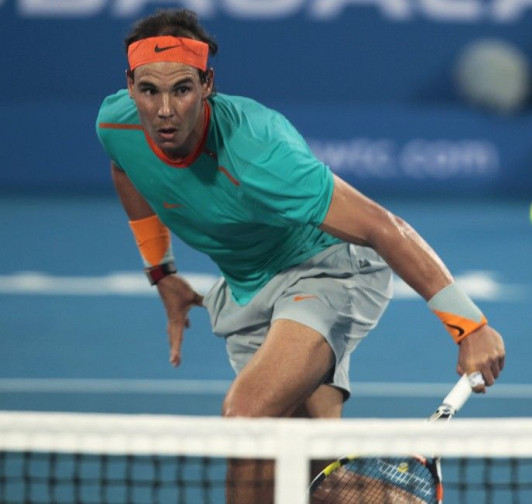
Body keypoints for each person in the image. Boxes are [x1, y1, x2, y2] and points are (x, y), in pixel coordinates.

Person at [96, 8, 505, 502]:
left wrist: (469, 326)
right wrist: (161, 272)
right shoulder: (116, 125)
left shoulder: (259, 149)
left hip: (326, 270)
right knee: (310, 477)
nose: (164, 110)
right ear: (129, 85)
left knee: (247, 417)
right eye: (148, 91)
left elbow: (382, 226)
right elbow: (127, 170)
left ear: (207, 85)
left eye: (181, 88)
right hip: (249, 289)